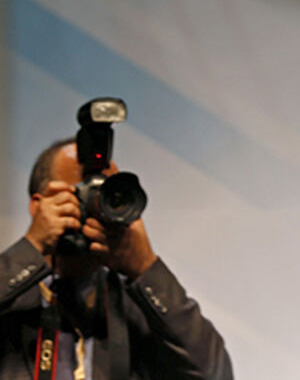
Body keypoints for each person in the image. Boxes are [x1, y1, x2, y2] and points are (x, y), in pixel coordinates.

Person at [0, 138, 233, 379]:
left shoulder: (135, 306)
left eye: (106, 196)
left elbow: (215, 373)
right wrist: (32, 246)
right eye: (82, 193)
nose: (95, 209)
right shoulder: (12, 298)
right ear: (39, 205)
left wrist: (145, 267)